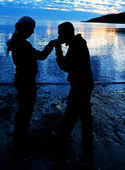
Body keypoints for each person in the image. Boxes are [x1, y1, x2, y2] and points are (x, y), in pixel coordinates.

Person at [6, 16, 58, 160]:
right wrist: (51, 45)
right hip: (26, 81)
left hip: (21, 79)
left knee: (23, 109)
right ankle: (20, 140)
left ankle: (19, 137)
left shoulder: (15, 41)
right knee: (25, 110)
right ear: (26, 29)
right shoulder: (23, 45)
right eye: (31, 29)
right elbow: (41, 56)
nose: (33, 32)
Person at [55, 22, 94, 161]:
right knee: (84, 114)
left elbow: (65, 66)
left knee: (71, 114)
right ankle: (87, 144)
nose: (59, 36)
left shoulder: (76, 45)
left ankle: (63, 142)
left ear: (67, 33)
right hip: (85, 83)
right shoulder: (77, 43)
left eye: (60, 33)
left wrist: (58, 50)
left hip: (81, 85)